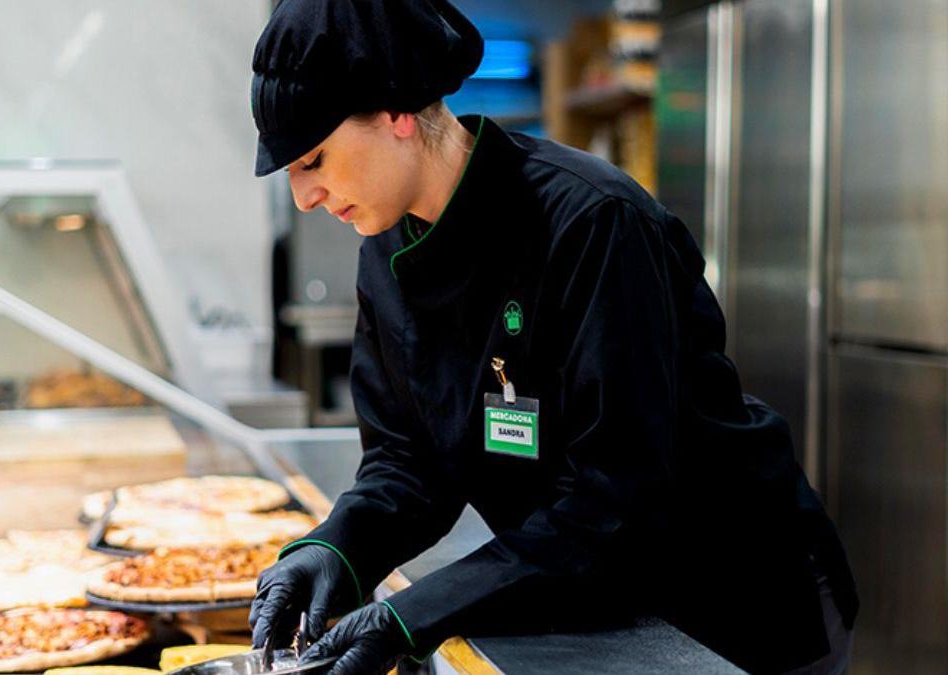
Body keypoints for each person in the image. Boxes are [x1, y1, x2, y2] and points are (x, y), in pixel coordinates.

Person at [247, 2, 858, 674]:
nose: (305, 196)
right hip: (593, 607)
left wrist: (411, 614)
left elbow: (615, 502)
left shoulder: (593, 223)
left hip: (737, 604)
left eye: (314, 158)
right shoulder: (385, 249)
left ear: (396, 110)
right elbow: (409, 461)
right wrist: (334, 548)